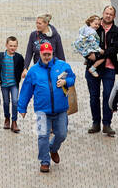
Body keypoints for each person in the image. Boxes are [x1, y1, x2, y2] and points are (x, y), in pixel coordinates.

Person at [16, 41, 76, 173]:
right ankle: (44, 161)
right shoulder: (33, 71)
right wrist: (22, 108)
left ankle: (53, 149)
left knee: (62, 134)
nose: (47, 57)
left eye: (49, 54)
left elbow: (72, 78)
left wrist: (66, 81)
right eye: (44, 54)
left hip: (60, 110)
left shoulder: (62, 66)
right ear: (40, 54)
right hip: (42, 111)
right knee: (42, 136)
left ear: (52, 53)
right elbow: (26, 90)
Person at [84, 4, 118, 136]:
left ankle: (107, 124)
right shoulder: (94, 27)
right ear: (103, 13)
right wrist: (87, 56)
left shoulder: (117, 32)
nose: (108, 16)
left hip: (109, 68)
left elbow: (114, 50)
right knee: (94, 96)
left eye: (110, 14)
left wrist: (99, 55)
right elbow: (84, 43)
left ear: (114, 16)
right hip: (92, 68)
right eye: (106, 13)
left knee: (108, 96)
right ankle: (96, 123)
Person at [0, 37, 26, 132]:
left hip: (14, 83)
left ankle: (14, 121)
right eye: (10, 45)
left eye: (14, 46)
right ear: (6, 45)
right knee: (6, 102)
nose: (12, 48)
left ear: (17, 46)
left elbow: (24, 67)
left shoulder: (19, 57)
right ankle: (7, 118)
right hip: (4, 84)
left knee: (15, 101)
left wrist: (23, 73)